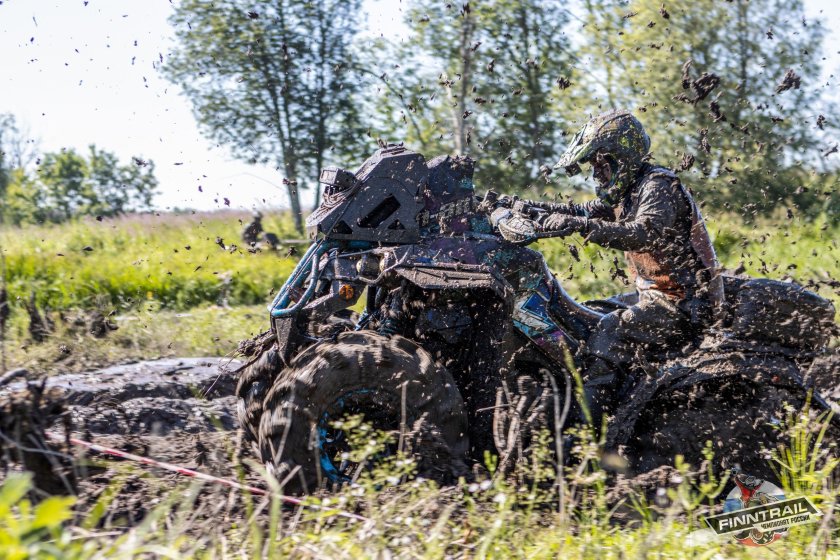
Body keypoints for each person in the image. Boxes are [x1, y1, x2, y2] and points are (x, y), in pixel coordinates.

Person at [519, 109, 724, 428]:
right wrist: (521, 208)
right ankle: (599, 391)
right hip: (654, 298)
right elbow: (577, 210)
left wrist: (577, 225)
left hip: (687, 305)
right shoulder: (625, 191)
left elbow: (644, 233)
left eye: (600, 165)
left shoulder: (657, 185)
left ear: (620, 158)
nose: (596, 174)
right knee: (583, 317)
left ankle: (585, 429)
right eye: (593, 167)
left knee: (609, 329)